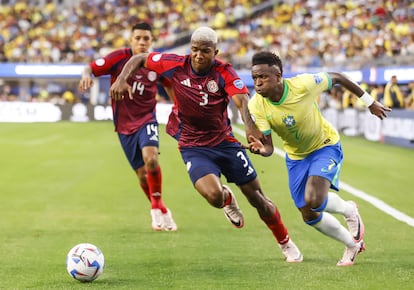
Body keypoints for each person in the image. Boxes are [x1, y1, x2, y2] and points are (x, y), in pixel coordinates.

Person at [110, 26, 303, 263]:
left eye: (205, 51)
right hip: (193, 146)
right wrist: (121, 79)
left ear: (215, 51)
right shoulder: (174, 63)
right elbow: (140, 58)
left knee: (258, 199)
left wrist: (251, 130)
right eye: (194, 50)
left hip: (225, 143)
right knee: (214, 197)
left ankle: (285, 242)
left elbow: (242, 101)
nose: (199, 55)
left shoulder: (224, 71)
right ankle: (227, 200)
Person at [246, 51, 391, 266]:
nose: (257, 83)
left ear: (278, 76)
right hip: (296, 156)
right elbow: (269, 147)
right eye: (255, 78)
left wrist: (369, 102)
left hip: (325, 146)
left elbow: (339, 77)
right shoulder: (256, 105)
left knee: (314, 199)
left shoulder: (303, 84)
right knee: (307, 213)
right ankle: (352, 245)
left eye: (263, 77)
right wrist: (261, 149)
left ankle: (348, 209)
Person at [78, 22, 177, 231]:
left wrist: (179, 107)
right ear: (131, 40)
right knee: (142, 175)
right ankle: (161, 207)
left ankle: (156, 206)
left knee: (151, 158)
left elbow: (169, 84)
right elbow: (90, 67)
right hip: (123, 126)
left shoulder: (155, 62)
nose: (142, 42)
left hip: (147, 119)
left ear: (152, 41)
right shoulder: (118, 58)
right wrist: (86, 76)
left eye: (146, 39)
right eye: (138, 38)